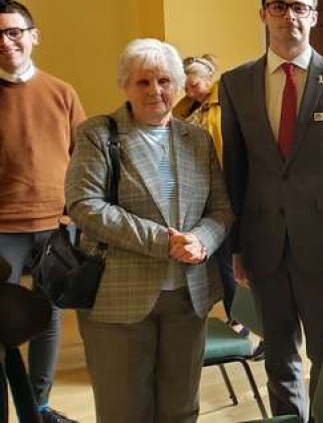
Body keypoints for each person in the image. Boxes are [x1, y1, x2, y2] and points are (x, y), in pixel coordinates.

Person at [220, 0, 323, 419]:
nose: (290, 16)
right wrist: (236, 248)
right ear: (264, 15)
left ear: (314, 16)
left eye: (299, 6)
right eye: (279, 6)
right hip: (264, 247)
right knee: (279, 357)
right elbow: (236, 172)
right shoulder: (235, 83)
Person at [65, 38, 233, 422]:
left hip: (187, 298)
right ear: (125, 85)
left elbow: (221, 208)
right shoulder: (98, 133)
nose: (155, 91)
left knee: (181, 408)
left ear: (176, 85)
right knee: (125, 410)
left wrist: (201, 241)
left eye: (164, 81)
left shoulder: (197, 139)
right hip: (120, 297)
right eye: (143, 82)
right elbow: (84, 205)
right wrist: (164, 242)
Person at [0, 0, 85, 423]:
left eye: (14, 32)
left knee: (48, 318)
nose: (6, 41)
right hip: (2, 232)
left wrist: (73, 213)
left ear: (33, 36)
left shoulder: (62, 92)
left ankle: (39, 407)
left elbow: (84, 158)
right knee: (0, 326)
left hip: (55, 225)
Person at [173, 54, 239, 322]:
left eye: (193, 85)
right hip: (199, 194)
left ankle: (240, 319)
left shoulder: (221, 105)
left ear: (209, 81)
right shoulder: (189, 108)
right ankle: (233, 315)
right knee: (215, 259)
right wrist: (190, 98)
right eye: (185, 86)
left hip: (223, 191)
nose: (188, 91)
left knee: (227, 258)